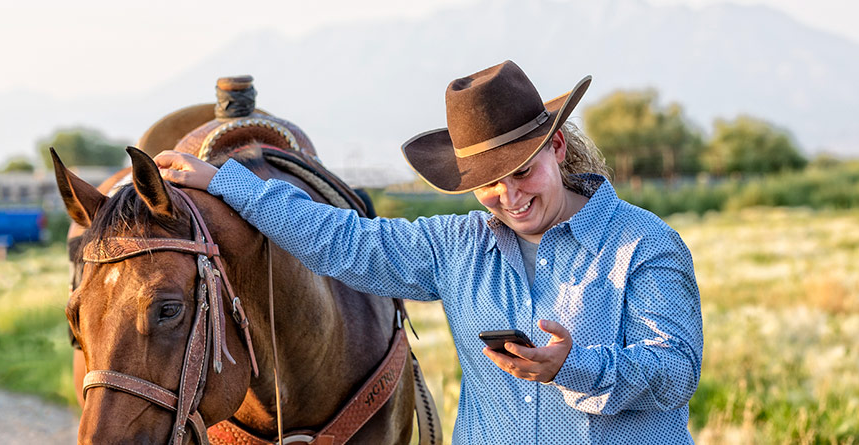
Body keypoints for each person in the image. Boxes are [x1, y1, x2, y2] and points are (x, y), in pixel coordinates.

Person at [155, 60, 703, 444]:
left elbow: (677, 371)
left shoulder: (644, 244)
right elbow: (338, 239)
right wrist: (228, 182)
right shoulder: (455, 247)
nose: (509, 197)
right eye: (488, 182)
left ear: (556, 148)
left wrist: (573, 365)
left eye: (522, 172)